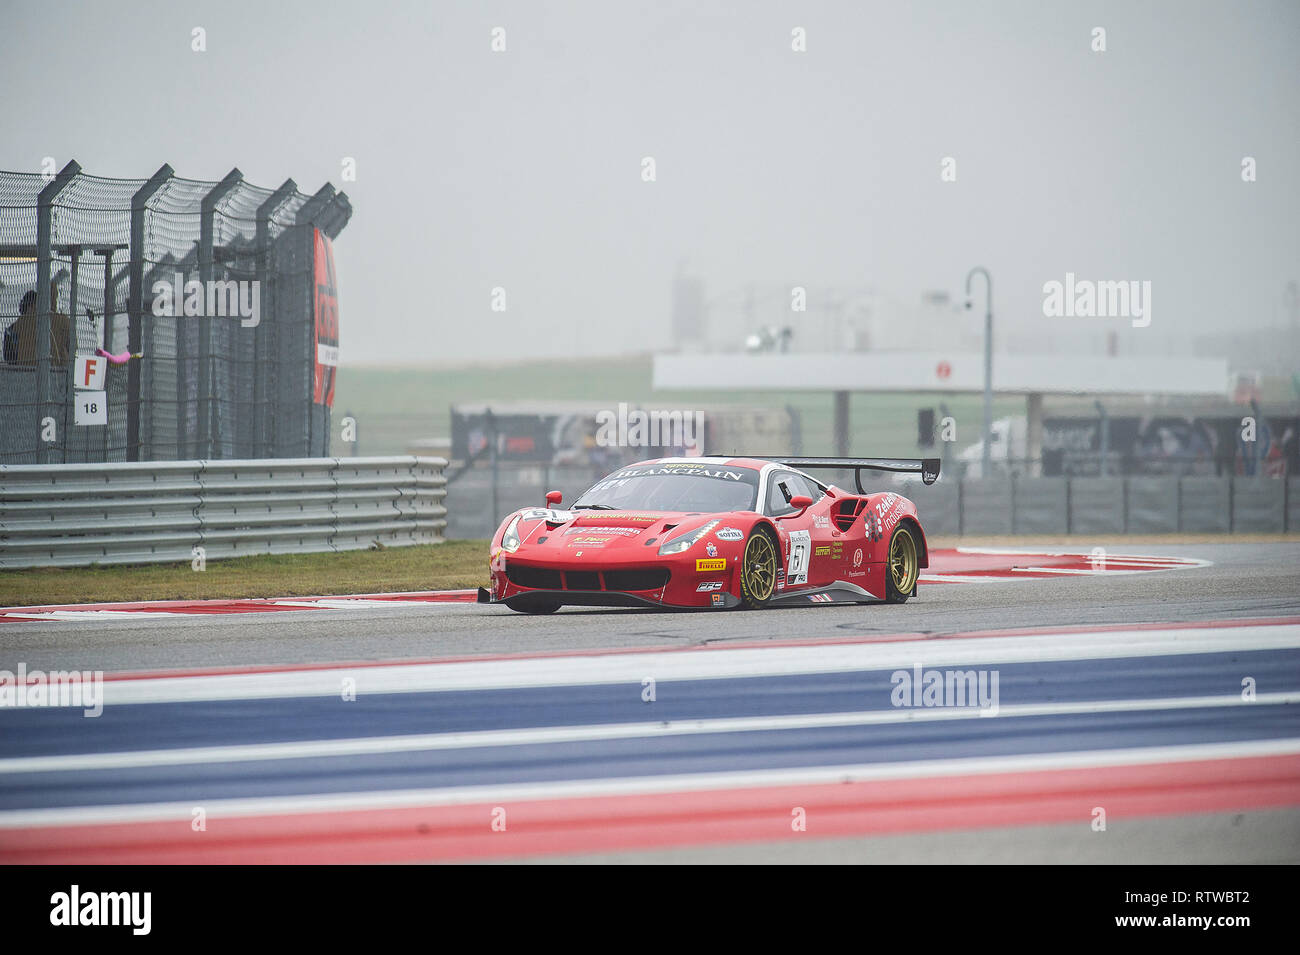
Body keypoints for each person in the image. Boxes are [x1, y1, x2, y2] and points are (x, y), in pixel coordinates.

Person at [2, 283, 71, 366]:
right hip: (57, 371)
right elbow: (72, 348)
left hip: (23, 370)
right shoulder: (62, 320)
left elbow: (9, 357)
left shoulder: (15, 326)